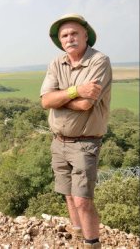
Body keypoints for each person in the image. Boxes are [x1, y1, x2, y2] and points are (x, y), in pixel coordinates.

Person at [40, 13, 112, 249]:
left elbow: (86, 105)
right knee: (69, 196)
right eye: (64, 35)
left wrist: (60, 98)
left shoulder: (99, 61)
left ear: (85, 36)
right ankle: (79, 238)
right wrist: (75, 91)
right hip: (58, 141)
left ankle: (92, 244)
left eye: (74, 33)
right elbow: (45, 101)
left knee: (82, 199)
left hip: (85, 142)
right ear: (60, 41)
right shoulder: (56, 63)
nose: (69, 38)